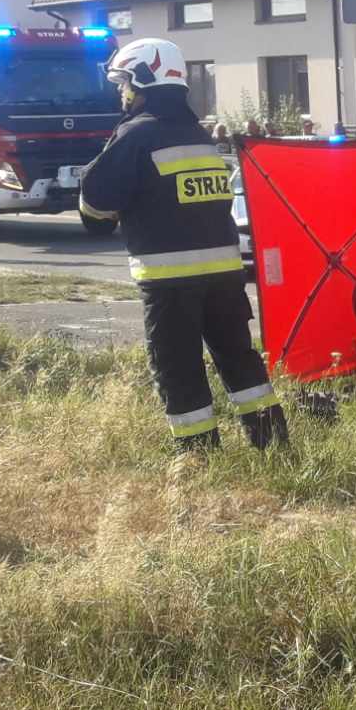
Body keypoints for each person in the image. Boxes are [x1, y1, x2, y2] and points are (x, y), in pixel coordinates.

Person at [80, 38, 286, 455]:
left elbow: (96, 203)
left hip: (170, 281)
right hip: (225, 278)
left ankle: (198, 457)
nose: (122, 93)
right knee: (240, 360)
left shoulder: (136, 134)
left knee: (178, 367)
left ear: (143, 80)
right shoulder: (199, 135)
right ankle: (273, 444)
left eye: (125, 84)